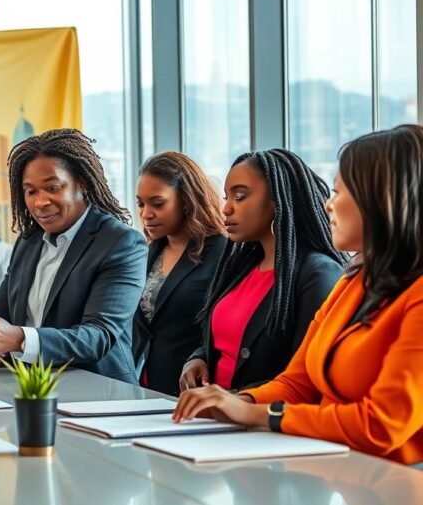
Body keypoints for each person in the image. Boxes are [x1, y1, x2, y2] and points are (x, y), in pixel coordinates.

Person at [173, 125, 423, 466]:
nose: (328, 205)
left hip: (396, 481)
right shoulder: (353, 284)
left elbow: (381, 425)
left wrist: (261, 415)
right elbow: (297, 383)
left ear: (382, 200)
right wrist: (237, 402)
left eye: (339, 192)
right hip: (343, 472)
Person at [0, 129, 146, 383]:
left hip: (99, 392)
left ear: (82, 183)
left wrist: (18, 339)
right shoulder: (28, 242)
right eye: (31, 192)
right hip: (27, 389)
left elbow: (99, 336)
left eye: (53, 188)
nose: (40, 202)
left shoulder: (121, 243)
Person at [178, 149, 346, 392]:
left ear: (277, 201)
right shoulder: (240, 267)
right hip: (213, 411)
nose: (226, 208)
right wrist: (199, 358)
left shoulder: (318, 274)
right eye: (226, 197)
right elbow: (226, 338)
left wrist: (236, 401)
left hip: (259, 414)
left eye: (240, 197)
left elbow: (305, 376)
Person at [132, 152, 227, 396]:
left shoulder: (222, 252)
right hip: (142, 385)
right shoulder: (148, 251)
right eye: (141, 204)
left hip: (193, 388)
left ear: (186, 200)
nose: (146, 214)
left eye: (158, 203)